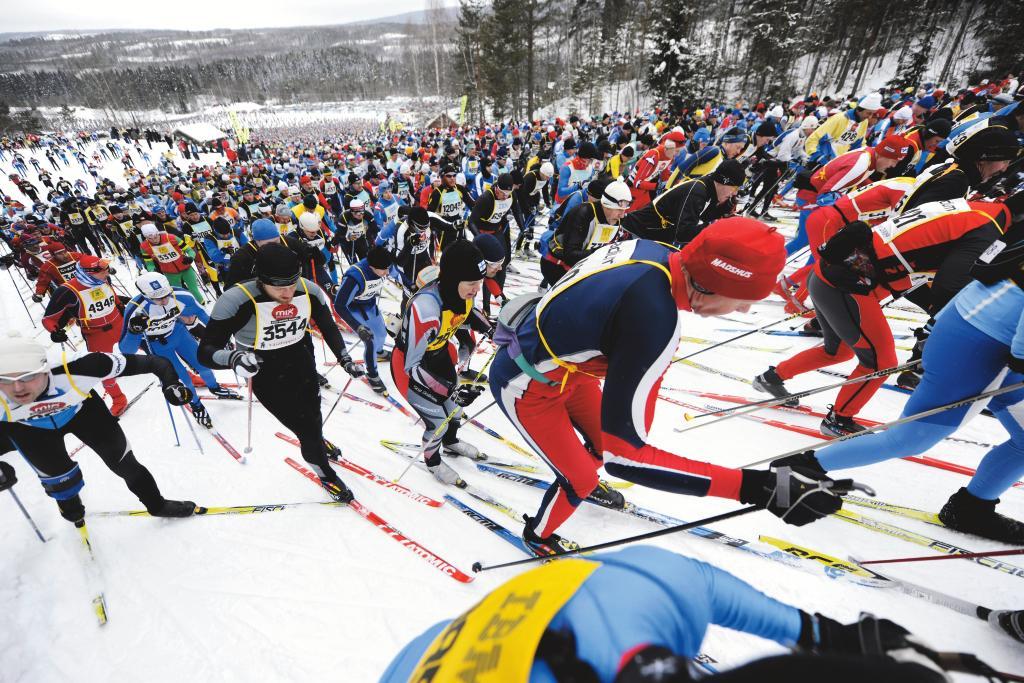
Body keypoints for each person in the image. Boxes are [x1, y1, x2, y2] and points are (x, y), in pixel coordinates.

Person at [489, 218, 844, 553]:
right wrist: (757, 488)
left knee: (599, 444)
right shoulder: (652, 316)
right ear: (712, 286)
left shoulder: (655, 251)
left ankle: (575, 475)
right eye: (744, 300)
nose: (745, 311)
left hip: (560, 367)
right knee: (581, 478)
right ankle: (538, 534)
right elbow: (626, 458)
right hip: (525, 384)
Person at [380, 546, 948, 683]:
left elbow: (710, 590)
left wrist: (821, 634)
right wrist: (825, 634)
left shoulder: (656, 592)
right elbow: (715, 590)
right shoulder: (657, 591)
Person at [784, 232, 1024, 543]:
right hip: (980, 343)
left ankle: (972, 508)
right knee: (910, 438)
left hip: (975, 328)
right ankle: (799, 471)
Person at [754, 196, 1016, 435]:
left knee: (840, 351)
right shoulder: (988, 230)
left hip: (832, 273)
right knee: (881, 362)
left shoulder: (979, 210)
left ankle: (772, 378)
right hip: (846, 284)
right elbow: (949, 285)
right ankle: (839, 420)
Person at [198, 244, 363, 502]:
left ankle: (316, 440)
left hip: (300, 360)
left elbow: (328, 326)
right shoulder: (236, 300)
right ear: (260, 279)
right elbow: (205, 351)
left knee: (313, 414)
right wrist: (234, 358)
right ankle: (324, 471)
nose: (287, 292)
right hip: (264, 370)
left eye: (292, 283)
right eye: (278, 287)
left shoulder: (308, 290)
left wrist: (344, 358)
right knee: (303, 426)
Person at [0, 332, 198, 522]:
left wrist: (171, 384)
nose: (18, 388)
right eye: (5, 380)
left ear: (46, 368)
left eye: (28, 376)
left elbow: (156, 362)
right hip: (30, 429)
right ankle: (72, 509)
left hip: (84, 414)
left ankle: (157, 505)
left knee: (125, 463)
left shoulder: (80, 366)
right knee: (61, 482)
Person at [390, 240, 494, 485]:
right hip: (411, 367)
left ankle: (451, 442)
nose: (477, 289)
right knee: (437, 420)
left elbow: (468, 312)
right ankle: (433, 462)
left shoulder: (460, 291)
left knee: (455, 411)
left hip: (439, 357)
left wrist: (492, 330)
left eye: (479, 282)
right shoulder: (425, 308)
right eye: (472, 283)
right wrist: (452, 390)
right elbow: (412, 367)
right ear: (454, 278)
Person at [120, 272, 240, 429]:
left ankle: (214, 387)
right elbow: (126, 349)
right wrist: (133, 331)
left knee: (203, 363)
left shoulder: (181, 295)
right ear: (145, 295)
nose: (164, 300)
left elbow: (203, 315)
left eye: (166, 295)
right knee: (183, 378)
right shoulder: (135, 310)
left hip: (179, 334)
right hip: (157, 345)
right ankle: (196, 405)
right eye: (158, 298)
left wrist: (219, 337)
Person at [41, 254, 131, 416]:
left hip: (120, 323)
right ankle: (118, 399)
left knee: (152, 346)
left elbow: (112, 295)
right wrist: (55, 331)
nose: (107, 272)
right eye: (103, 270)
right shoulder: (67, 291)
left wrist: (121, 306)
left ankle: (174, 373)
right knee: (103, 368)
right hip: (97, 334)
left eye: (106, 269)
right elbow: (49, 319)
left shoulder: (103, 279)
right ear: (89, 272)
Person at [620, 159, 744, 246]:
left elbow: (704, 216)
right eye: (735, 188)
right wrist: (714, 225)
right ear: (724, 181)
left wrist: (725, 210)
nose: (734, 193)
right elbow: (683, 234)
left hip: (652, 236)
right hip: (636, 232)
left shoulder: (710, 190)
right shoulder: (698, 191)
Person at [334, 245, 400, 395]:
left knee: (382, 335)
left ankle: (378, 352)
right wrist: (358, 327)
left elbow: (397, 274)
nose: (387, 273)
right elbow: (339, 305)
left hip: (369, 305)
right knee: (369, 339)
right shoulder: (355, 276)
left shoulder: (382, 265)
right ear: (371, 267)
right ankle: (372, 373)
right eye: (384, 270)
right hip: (354, 310)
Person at [544, 180, 632, 282]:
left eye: (624, 210)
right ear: (607, 205)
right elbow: (570, 255)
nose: (622, 215)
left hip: (580, 268)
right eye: (619, 210)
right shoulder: (583, 213)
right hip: (556, 267)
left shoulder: (617, 218)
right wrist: (601, 252)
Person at [223, 218, 321, 288]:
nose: (273, 246)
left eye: (275, 241)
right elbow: (230, 288)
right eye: (267, 244)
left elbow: (317, 262)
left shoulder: (288, 242)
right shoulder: (242, 256)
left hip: (292, 291)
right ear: (255, 241)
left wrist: (314, 253)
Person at [138, 222, 205, 304]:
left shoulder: (171, 238)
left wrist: (190, 257)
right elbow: (149, 263)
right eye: (150, 238)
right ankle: (187, 310)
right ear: (146, 237)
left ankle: (202, 307)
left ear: (158, 233)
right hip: (170, 273)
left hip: (185, 268)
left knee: (194, 290)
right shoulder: (144, 246)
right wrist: (152, 270)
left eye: (156, 236)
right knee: (178, 294)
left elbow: (190, 250)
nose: (154, 240)